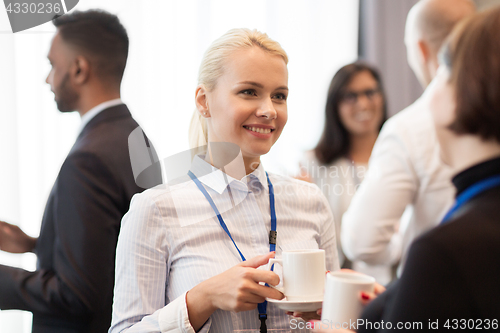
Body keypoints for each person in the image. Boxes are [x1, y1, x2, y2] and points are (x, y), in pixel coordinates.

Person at [110, 28, 339, 333]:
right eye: (249, 91)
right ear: (203, 101)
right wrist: (203, 298)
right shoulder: (155, 209)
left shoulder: (311, 202)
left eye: (279, 96)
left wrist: (335, 314)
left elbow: (338, 321)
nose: (269, 110)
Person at [313, 5, 500, 332]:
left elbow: (361, 240)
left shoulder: (439, 251)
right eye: (350, 96)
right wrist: (402, 294)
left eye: (447, 70)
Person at [0, 10, 161, 333]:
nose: (48, 78)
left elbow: (78, 295)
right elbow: (116, 248)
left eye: (52, 65)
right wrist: (40, 243)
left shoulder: (89, 159)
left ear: (78, 69)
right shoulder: (136, 138)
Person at [341, 0, 476, 276]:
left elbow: (361, 241)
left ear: (420, 49)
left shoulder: (409, 127)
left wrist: (406, 244)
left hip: (438, 291)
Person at [300, 63, 390, 283]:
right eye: (350, 96)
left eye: (370, 92)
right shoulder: (314, 165)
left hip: (398, 284)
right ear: (335, 106)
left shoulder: (399, 156)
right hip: (339, 287)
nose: (363, 103)